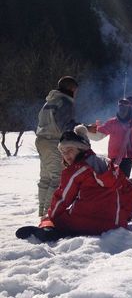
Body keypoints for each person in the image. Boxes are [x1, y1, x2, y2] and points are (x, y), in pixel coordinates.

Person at [18, 125, 132, 241]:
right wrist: (124, 217)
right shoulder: (110, 165)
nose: (66, 155)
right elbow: (130, 192)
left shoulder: (76, 170)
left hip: (85, 224)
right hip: (115, 224)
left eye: (70, 150)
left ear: (82, 149)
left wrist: (50, 217)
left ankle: (48, 230)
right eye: (63, 152)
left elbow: (62, 199)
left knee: (52, 217)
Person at [35, 76, 79, 215]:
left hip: (41, 140)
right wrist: (84, 128)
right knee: (57, 178)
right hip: (53, 141)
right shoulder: (64, 101)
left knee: (45, 178)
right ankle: (49, 214)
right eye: (76, 90)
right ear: (71, 88)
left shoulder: (50, 101)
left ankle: (42, 212)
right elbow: (66, 125)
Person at [87, 96, 132, 177]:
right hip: (114, 157)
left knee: (123, 179)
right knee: (113, 179)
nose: (122, 111)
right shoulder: (113, 123)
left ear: (131, 110)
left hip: (128, 158)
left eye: (125, 109)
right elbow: (99, 135)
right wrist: (88, 130)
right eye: (120, 108)